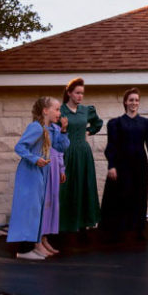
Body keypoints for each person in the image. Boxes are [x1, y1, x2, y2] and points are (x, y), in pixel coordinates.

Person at [6, 97, 69, 260]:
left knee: (36, 210)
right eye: (56, 109)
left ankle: (32, 247)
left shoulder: (49, 129)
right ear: (45, 111)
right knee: (29, 209)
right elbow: (19, 147)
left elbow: (60, 147)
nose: (59, 113)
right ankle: (24, 250)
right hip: (30, 174)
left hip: (40, 174)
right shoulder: (36, 128)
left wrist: (63, 131)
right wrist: (35, 159)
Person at [100, 88, 148, 240]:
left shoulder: (147, 123)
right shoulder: (116, 123)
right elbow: (111, 145)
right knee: (121, 195)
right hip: (121, 163)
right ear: (125, 102)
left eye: (136, 100)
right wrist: (111, 165)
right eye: (131, 100)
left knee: (139, 195)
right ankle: (119, 230)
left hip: (139, 163)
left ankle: (138, 228)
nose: (134, 103)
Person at [59, 77, 104, 234]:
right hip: (66, 153)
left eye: (82, 93)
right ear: (69, 93)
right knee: (66, 188)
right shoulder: (61, 111)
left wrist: (88, 131)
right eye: (77, 93)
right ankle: (65, 225)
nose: (80, 96)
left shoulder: (86, 110)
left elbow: (98, 124)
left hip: (83, 152)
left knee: (84, 186)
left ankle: (83, 223)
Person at [39, 137, 66, 254]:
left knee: (51, 205)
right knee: (43, 204)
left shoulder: (57, 130)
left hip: (54, 168)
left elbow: (60, 151)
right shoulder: (39, 128)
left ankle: (45, 239)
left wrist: (61, 169)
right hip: (44, 167)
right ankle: (37, 241)